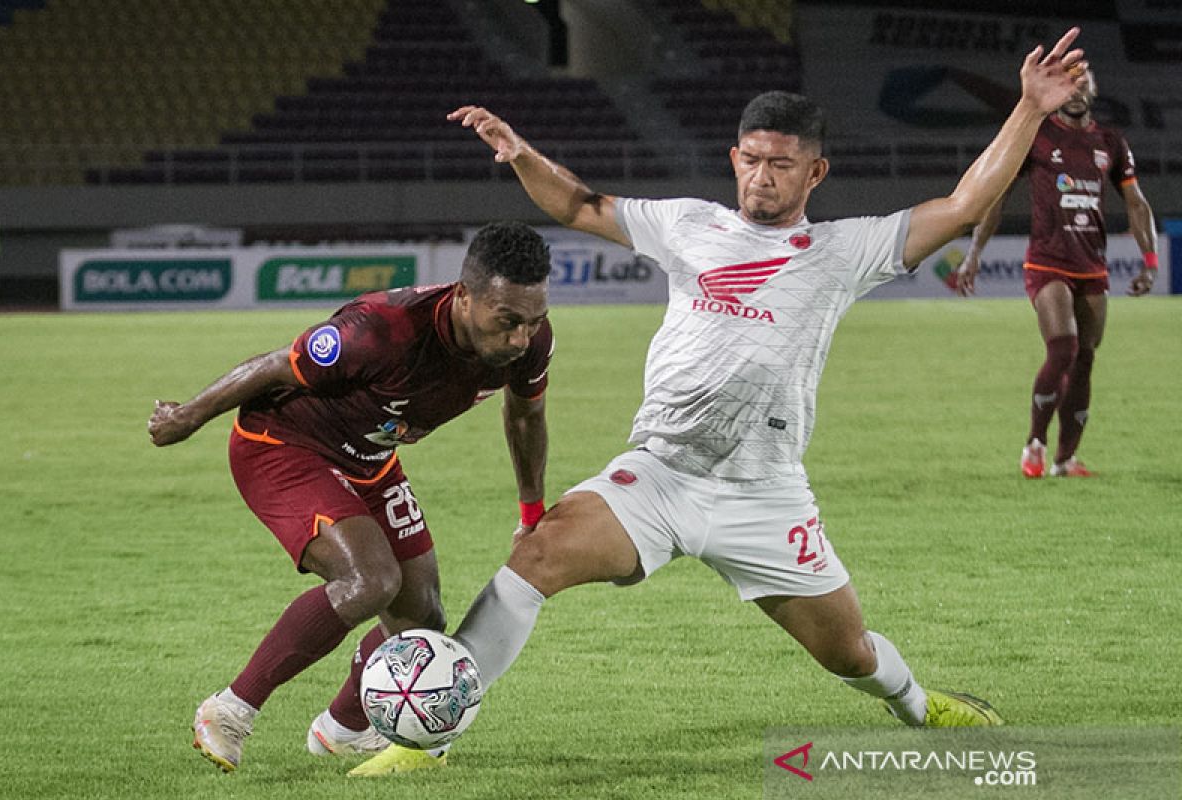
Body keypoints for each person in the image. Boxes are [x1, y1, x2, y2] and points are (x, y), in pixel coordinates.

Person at [345, 27, 1091, 777]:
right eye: (752, 159)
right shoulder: (689, 225)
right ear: (735, 157)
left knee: (850, 653)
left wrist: (1029, 107)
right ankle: (424, 742)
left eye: (782, 164)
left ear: (815, 172)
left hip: (765, 493)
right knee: (534, 558)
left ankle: (920, 706)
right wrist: (519, 152)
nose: (762, 176)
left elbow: (962, 206)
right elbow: (580, 205)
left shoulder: (845, 250)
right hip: (661, 475)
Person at [147, 221, 554, 773]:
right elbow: (275, 365)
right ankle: (230, 710)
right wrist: (188, 416)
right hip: (283, 445)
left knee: (420, 617)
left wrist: (531, 511)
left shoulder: (529, 343)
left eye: (532, 321)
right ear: (464, 296)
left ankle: (341, 729)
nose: (519, 339)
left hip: (369, 459)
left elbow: (526, 418)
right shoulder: (382, 329)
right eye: (507, 321)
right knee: (371, 580)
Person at [955, 66, 1159, 478]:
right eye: (1068, 84)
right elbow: (997, 196)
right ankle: (1035, 443)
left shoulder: (1111, 143)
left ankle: (1065, 460)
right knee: (1063, 347)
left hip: (1092, 266)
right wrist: (975, 251)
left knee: (1085, 358)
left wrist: (1149, 261)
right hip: (1047, 261)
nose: (1076, 91)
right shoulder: (1039, 136)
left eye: (1083, 83)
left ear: (1094, 90)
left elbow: (1136, 203)